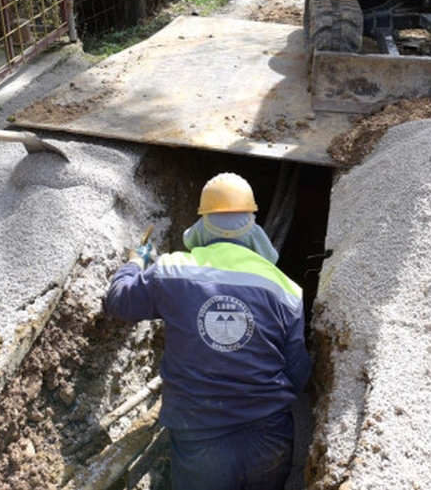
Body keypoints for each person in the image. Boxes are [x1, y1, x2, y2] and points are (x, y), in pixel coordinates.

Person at [104, 172, 311, 489]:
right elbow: (298, 374)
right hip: (268, 438)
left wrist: (135, 263)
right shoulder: (286, 290)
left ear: (202, 224)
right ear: (252, 226)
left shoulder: (172, 271)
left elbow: (119, 302)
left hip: (199, 438)